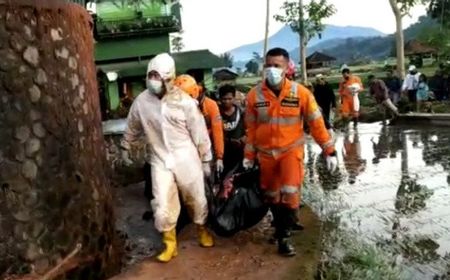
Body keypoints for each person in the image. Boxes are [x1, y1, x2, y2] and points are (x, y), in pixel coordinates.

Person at [243, 47, 337, 257]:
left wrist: (329, 151)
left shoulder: (301, 93)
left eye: (277, 66)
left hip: (290, 152)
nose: (271, 70)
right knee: (270, 195)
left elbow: (317, 124)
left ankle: (284, 237)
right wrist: (248, 156)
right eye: (268, 65)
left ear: (286, 68)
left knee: (290, 193)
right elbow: (251, 130)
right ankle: (281, 226)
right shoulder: (253, 96)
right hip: (266, 155)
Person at [121, 54, 214, 263]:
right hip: (159, 159)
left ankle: (202, 230)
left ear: (170, 78)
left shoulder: (185, 102)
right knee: (162, 202)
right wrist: (125, 146)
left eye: (158, 77)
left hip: (186, 157)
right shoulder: (141, 102)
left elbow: (199, 132)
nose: (154, 81)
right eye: (151, 75)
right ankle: (170, 243)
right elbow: (132, 126)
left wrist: (206, 159)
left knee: (196, 198)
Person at [174, 74, 225, 176]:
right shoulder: (175, 106)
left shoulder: (211, 106)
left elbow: (217, 132)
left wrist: (219, 157)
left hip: (206, 148)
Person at [218, 84, 246, 177]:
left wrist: (245, 137)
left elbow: (248, 128)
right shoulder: (216, 113)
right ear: (220, 99)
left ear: (234, 98)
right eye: (224, 99)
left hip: (239, 152)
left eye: (229, 99)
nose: (226, 101)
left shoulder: (241, 112)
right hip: (223, 153)